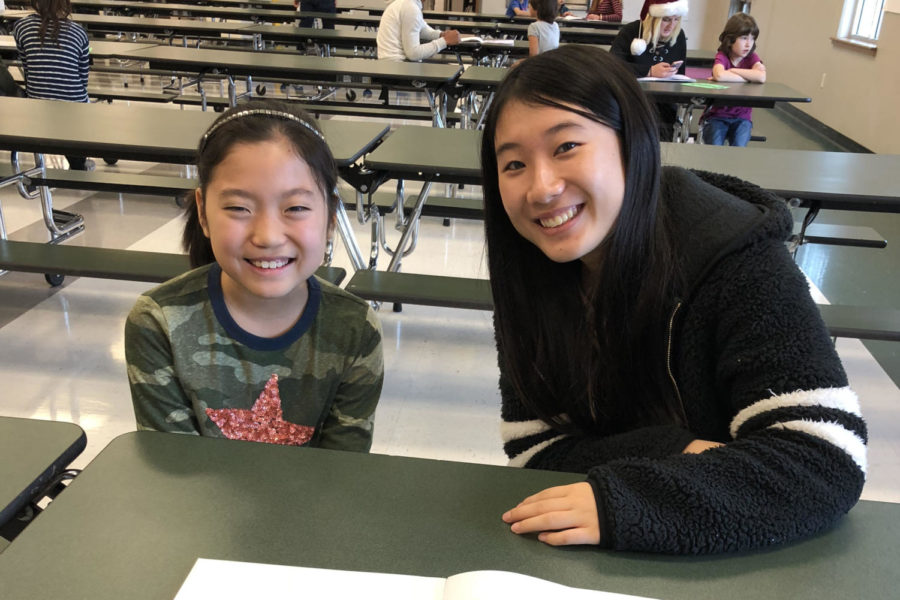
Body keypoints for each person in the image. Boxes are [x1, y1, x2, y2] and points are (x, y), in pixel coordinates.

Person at [479, 45, 866, 554]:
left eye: (567, 146)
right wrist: (673, 448)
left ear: (633, 143)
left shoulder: (735, 256)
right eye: (513, 165)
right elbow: (534, 447)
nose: (541, 187)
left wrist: (626, 501)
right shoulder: (530, 273)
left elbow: (824, 457)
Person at [125, 101, 384, 452]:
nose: (267, 236)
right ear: (202, 212)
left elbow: (342, 471)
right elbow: (175, 469)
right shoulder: (158, 322)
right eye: (238, 208)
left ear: (331, 217)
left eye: (295, 208)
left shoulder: (355, 328)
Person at [13, 0, 93, 170]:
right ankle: (78, 162)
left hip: (38, 103)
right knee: (79, 106)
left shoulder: (21, 28)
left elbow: (26, 66)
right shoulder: (79, 33)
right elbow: (83, 77)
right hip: (74, 107)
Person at [609, 0, 688, 140]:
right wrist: (649, 71)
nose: (672, 25)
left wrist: (673, 73)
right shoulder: (631, 31)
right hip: (632, 102)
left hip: (664, 107)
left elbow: (681, 75)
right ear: (654, 18)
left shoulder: (679, 36)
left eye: (676, 20)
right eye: (666, 19)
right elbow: (612, 66)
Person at [701, 13, 766, 147]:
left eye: (752, 39)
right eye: (743, 38)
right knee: (713, 150)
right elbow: (719, 75)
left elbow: (761, 76)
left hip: (742, 117)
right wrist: (748, 77)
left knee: (739, 149)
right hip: (717, 115)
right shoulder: (722, 56)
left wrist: (732, 71)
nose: (748, 44)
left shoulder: (752, 57)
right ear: (730, 39)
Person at [376, 0, 460, 62]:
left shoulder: (407, 3)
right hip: (397, 66)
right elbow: (413, 54)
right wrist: (444, 41)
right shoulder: (410, 7)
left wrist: (441, 35)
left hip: (390, 62)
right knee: (443, 71)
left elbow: (421, 28)